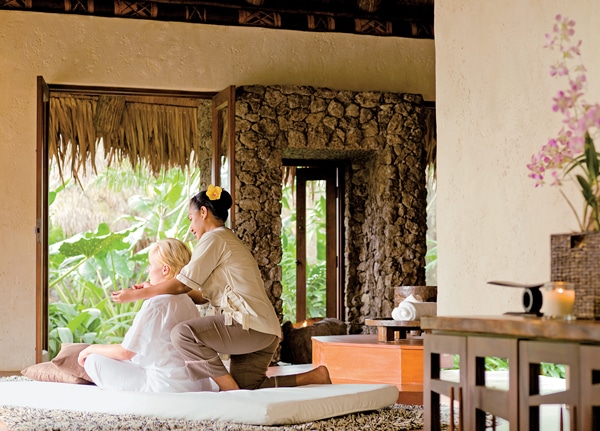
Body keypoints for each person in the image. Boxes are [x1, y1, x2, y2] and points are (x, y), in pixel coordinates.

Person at [111, 185, 331, 391]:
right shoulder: (226, 239)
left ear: (204, 212)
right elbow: (198, 296)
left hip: (250, 325)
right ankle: (314, 377)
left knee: (183, 334)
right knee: (250, 386)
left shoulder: (214, 239)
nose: (190, 227)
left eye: (191, 218)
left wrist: (137, 294)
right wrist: (153, 287)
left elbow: (181, 285)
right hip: (266, 330)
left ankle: (229, 392)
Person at [78, 238, 218, 393]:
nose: (148, 271)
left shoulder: (156, 305)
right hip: (193, 383)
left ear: (165, 270)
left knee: (93, 361)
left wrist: (90, 349)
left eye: (151, 265)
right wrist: (151, 289)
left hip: (164, 384)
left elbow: (126, 352)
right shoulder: (187, 301)